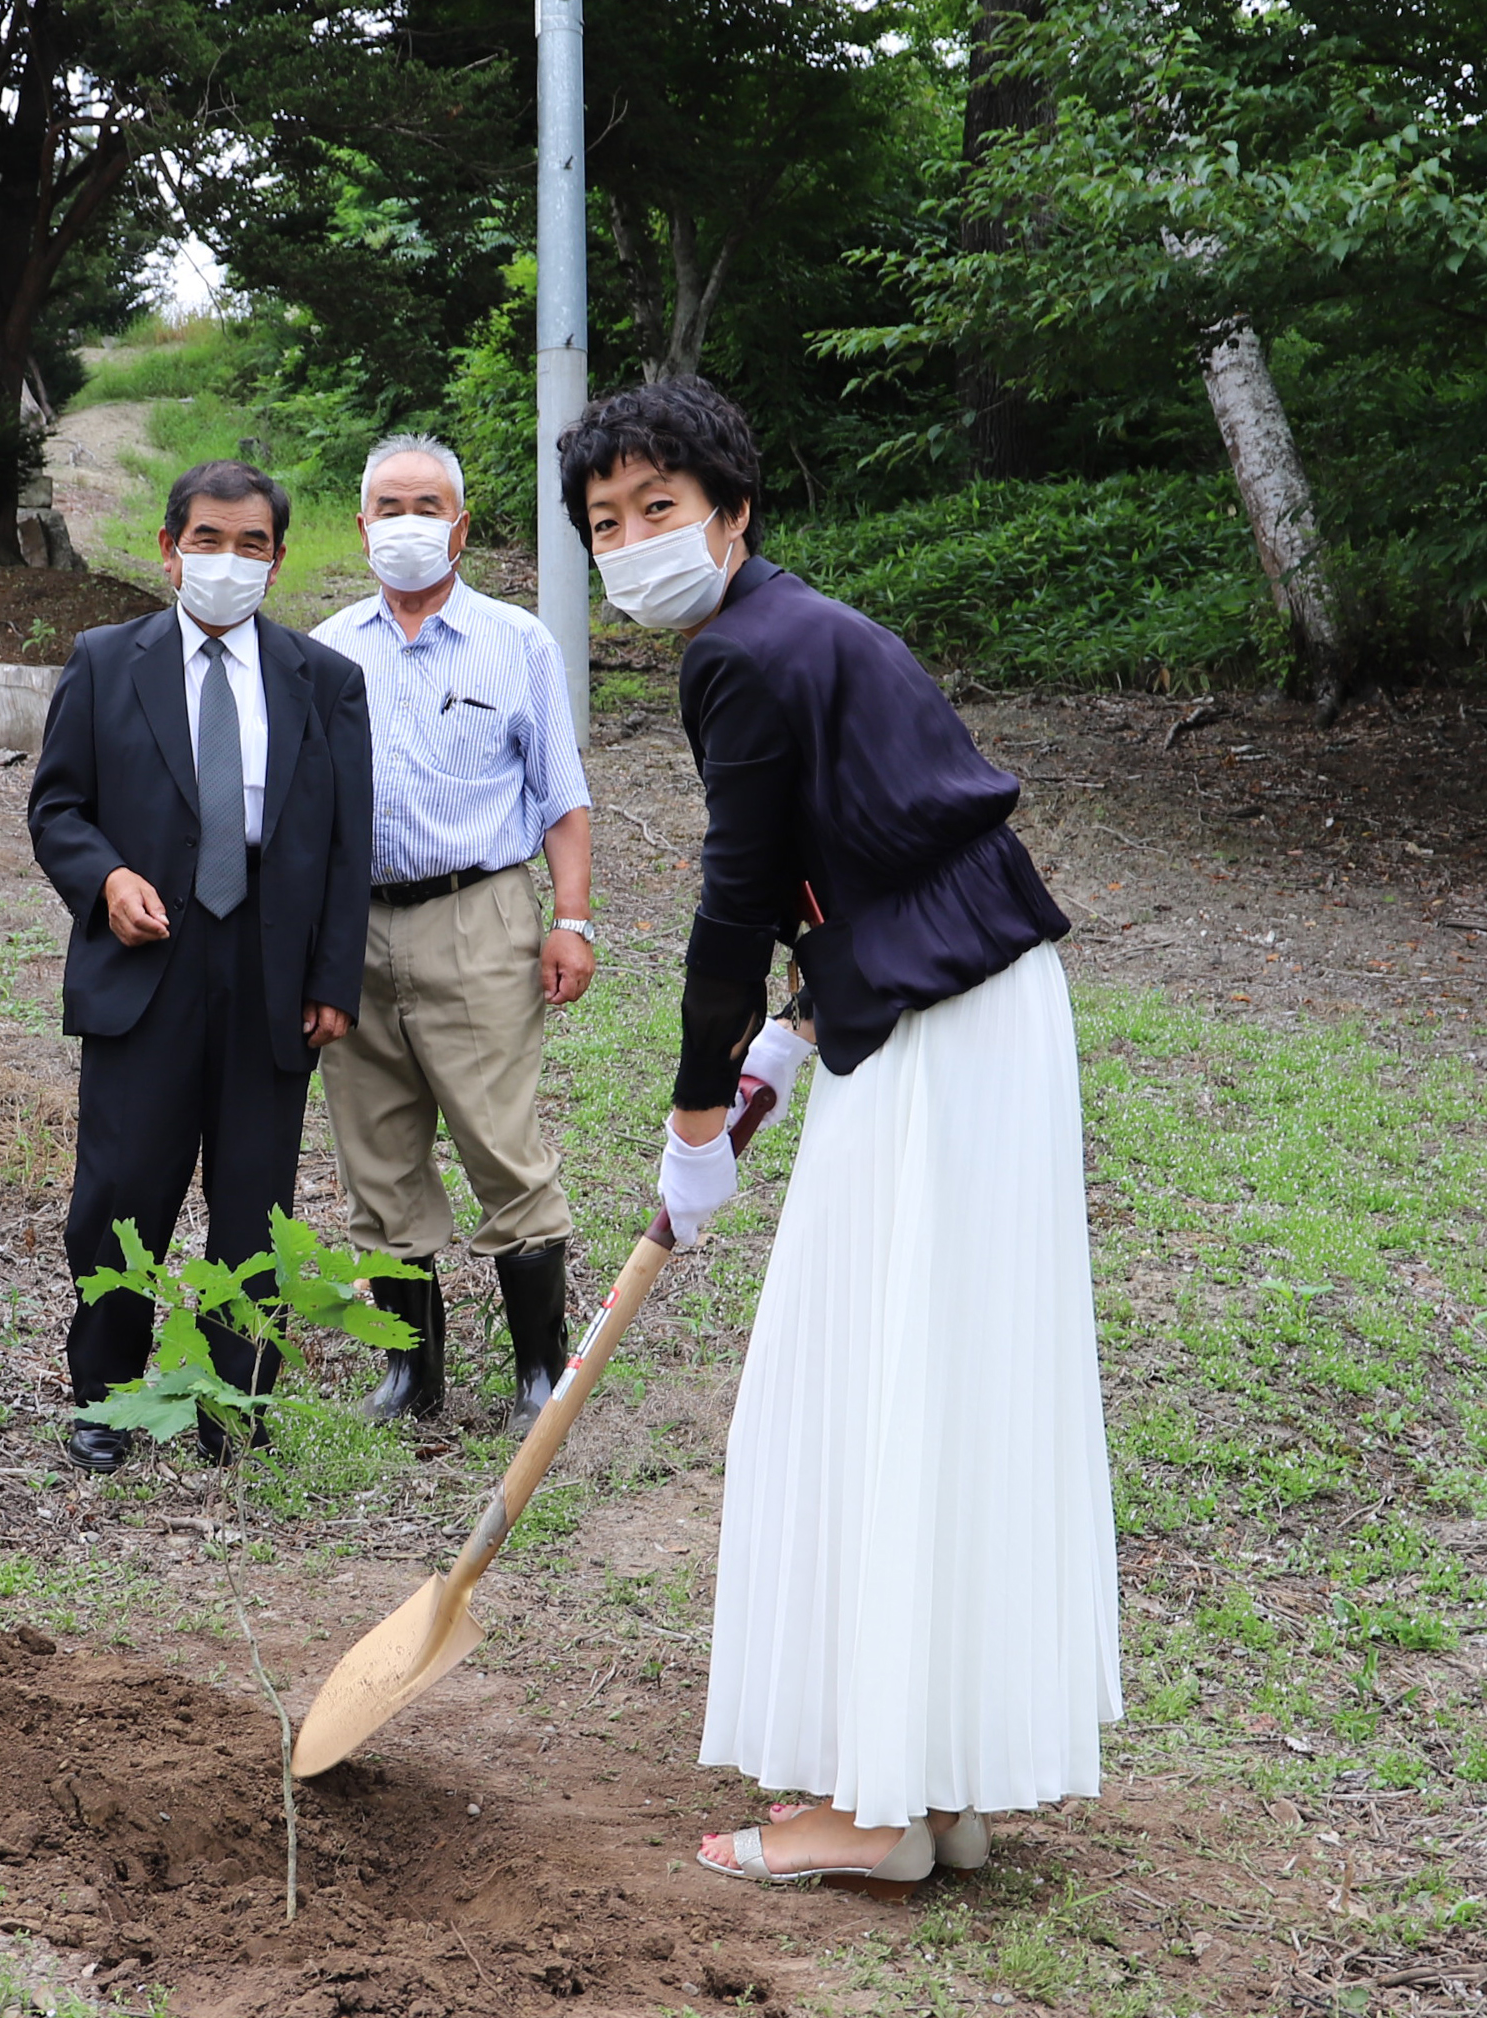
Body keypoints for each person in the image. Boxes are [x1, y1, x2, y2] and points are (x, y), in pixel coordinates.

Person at [558, 377, 1117, 1894]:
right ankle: (928, 1786)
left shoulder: (738, 653)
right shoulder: (805, 627)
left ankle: (874, 1810)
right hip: (968, 1002)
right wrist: (799, 1031)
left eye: (656, 507)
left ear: (732, 514)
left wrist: (693, 1116)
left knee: (861, 1378)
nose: (630, 542)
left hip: (945, 1034)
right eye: (603, 522)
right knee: (916, 1376)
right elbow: (865, 842)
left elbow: (734, 895)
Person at [30, 460, 373, 1474]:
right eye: (208, 540)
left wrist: (332, 979)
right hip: (149, 966)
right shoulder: (104, 661)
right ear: (171, 551)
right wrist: (106, 879)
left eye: (252, 544)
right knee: (120, 1193)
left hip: (271, 968)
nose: (229, 560)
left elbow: (349, 845)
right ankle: (108, 1393)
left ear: (276, 558)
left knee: (254, 1203)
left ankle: (235, 1403)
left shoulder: (324, 681)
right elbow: (57, 808)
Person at [309, 433, 595, 1432]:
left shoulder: (517, 643)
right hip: (355, 926)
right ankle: (410, 1374)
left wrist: (570, 919)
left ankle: (537, 1373)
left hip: (480, 917)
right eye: (387, 506)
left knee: (498, 1144)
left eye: (426, 505)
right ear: (359, 526)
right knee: (376, 1155)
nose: (406, 525)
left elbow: (562, 800)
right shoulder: (328, 650)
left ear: (461, 525)